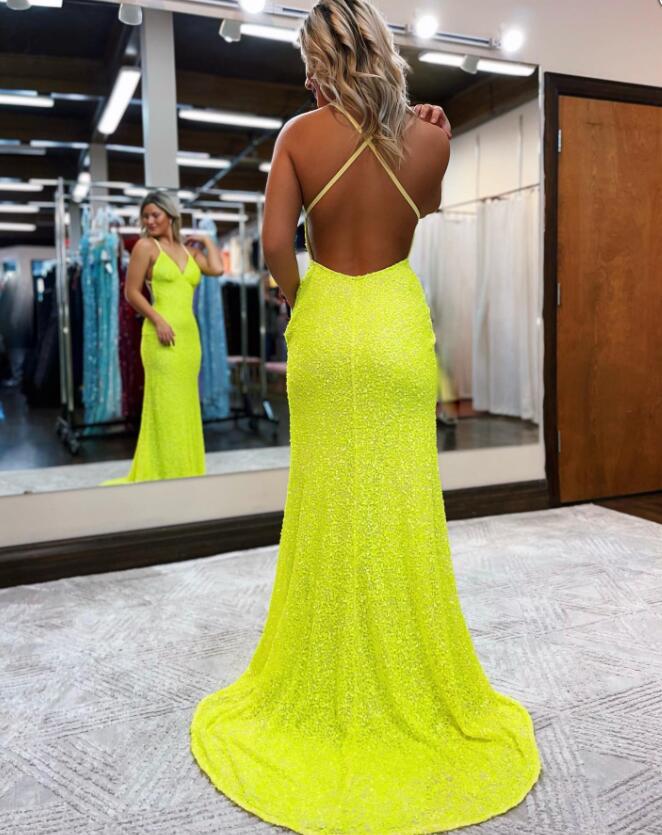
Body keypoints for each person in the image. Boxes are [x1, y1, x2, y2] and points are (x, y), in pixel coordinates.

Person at [190, 1, 541, 832]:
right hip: (393, 325)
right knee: (402, 498)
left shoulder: (298, 136)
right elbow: (423, 208)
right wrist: (424, 130)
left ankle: (327, 668)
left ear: (319, 60)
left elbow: (277, 244)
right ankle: (406, 667)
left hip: (328, 325)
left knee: (324, 499)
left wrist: (299, 298)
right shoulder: (434, 140)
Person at [103, 190, 224, 485]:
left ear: (171, 215)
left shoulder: (190, 252)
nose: (149, 221)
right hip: (160, 337)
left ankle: (186, 470)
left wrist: (207, 240)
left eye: (155, 214)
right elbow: (131, 292)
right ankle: (165, 473)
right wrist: (157, 319)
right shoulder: (145, 247)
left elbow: (218, 269)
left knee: (186, 404)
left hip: (189, 339)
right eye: (145, 216)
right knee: (166, 406)